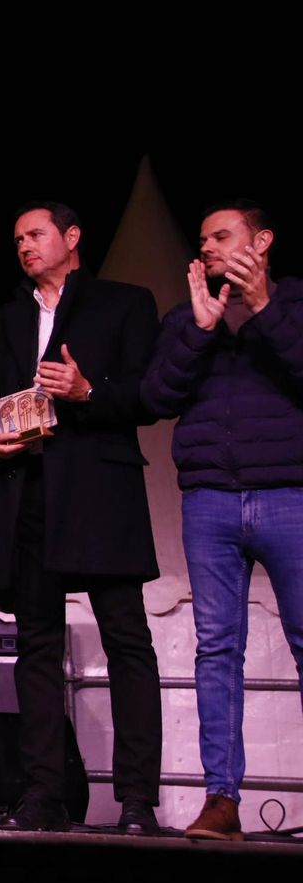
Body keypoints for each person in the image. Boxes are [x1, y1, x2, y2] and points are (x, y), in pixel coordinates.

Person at [0, 202, 163, 834]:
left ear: (71, 237)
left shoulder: (124, 303)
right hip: (32, 493)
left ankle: (138, 799)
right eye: (17, 238)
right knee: (36, 648)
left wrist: (87, 391)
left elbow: (149, 396)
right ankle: (44, 795)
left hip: (102, 493)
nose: (24, 246)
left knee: (127, 641)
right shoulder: (3, 322)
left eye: (36, 234)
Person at [141, 200, 303, 842]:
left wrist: (264, 309)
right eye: (203, 238)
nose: (207, 247)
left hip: (290, 494)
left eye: (223, 236)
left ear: (262, 241)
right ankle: (222, 800)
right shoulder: (187, 317)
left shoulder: (294, 303)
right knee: (217, 653)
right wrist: (200, 331)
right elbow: (155, 398)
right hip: (209, 502)